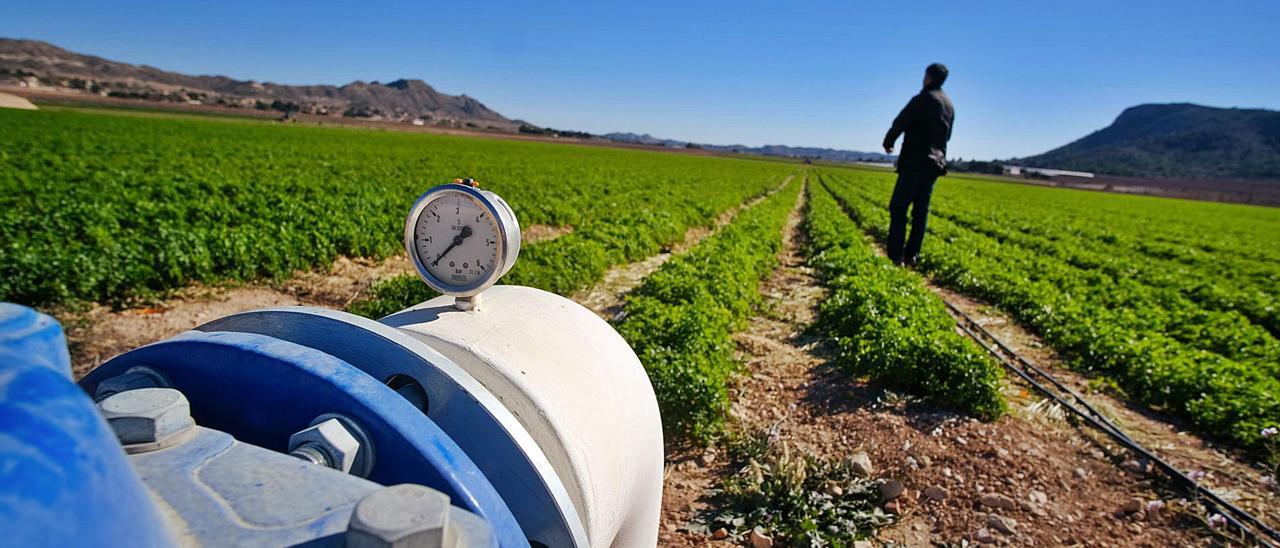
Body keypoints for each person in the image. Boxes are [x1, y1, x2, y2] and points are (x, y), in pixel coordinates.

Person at [882, 63, 954, 266]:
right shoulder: (948, 105)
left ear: (929, 77)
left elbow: (901, 121)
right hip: (935, 164)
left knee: (898, 207)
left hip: (915, 161)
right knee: (920, 211)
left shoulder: (923, 99)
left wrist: (889, 142)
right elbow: (947, 136)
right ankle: (912, 255)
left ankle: (896, 256)